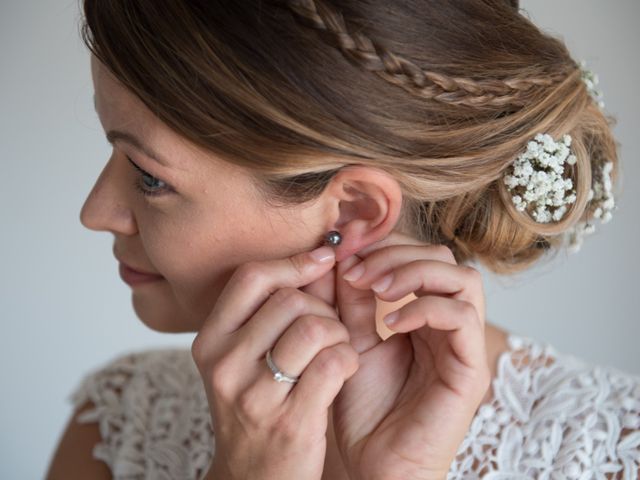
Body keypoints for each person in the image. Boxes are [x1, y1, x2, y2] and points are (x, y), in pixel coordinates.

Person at [46, 1, 640, 479]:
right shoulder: (119, 422)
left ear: (354, 213)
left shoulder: (616, 448)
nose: (96, 213)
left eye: (150, 176)